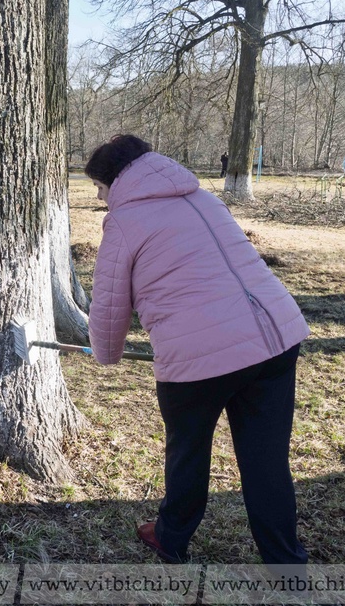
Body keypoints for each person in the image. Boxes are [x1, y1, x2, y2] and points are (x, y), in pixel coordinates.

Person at [85, 134, 310, 570]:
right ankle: (286, 565)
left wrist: (105, 354)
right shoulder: (202, 199)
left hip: (197, 360)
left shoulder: (124, 220)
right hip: (275, 338)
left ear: (116, 180)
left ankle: (171, 539)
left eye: (99, 186)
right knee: (267, 461)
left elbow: (109, 304)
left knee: (188, 453)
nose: (97, 195)